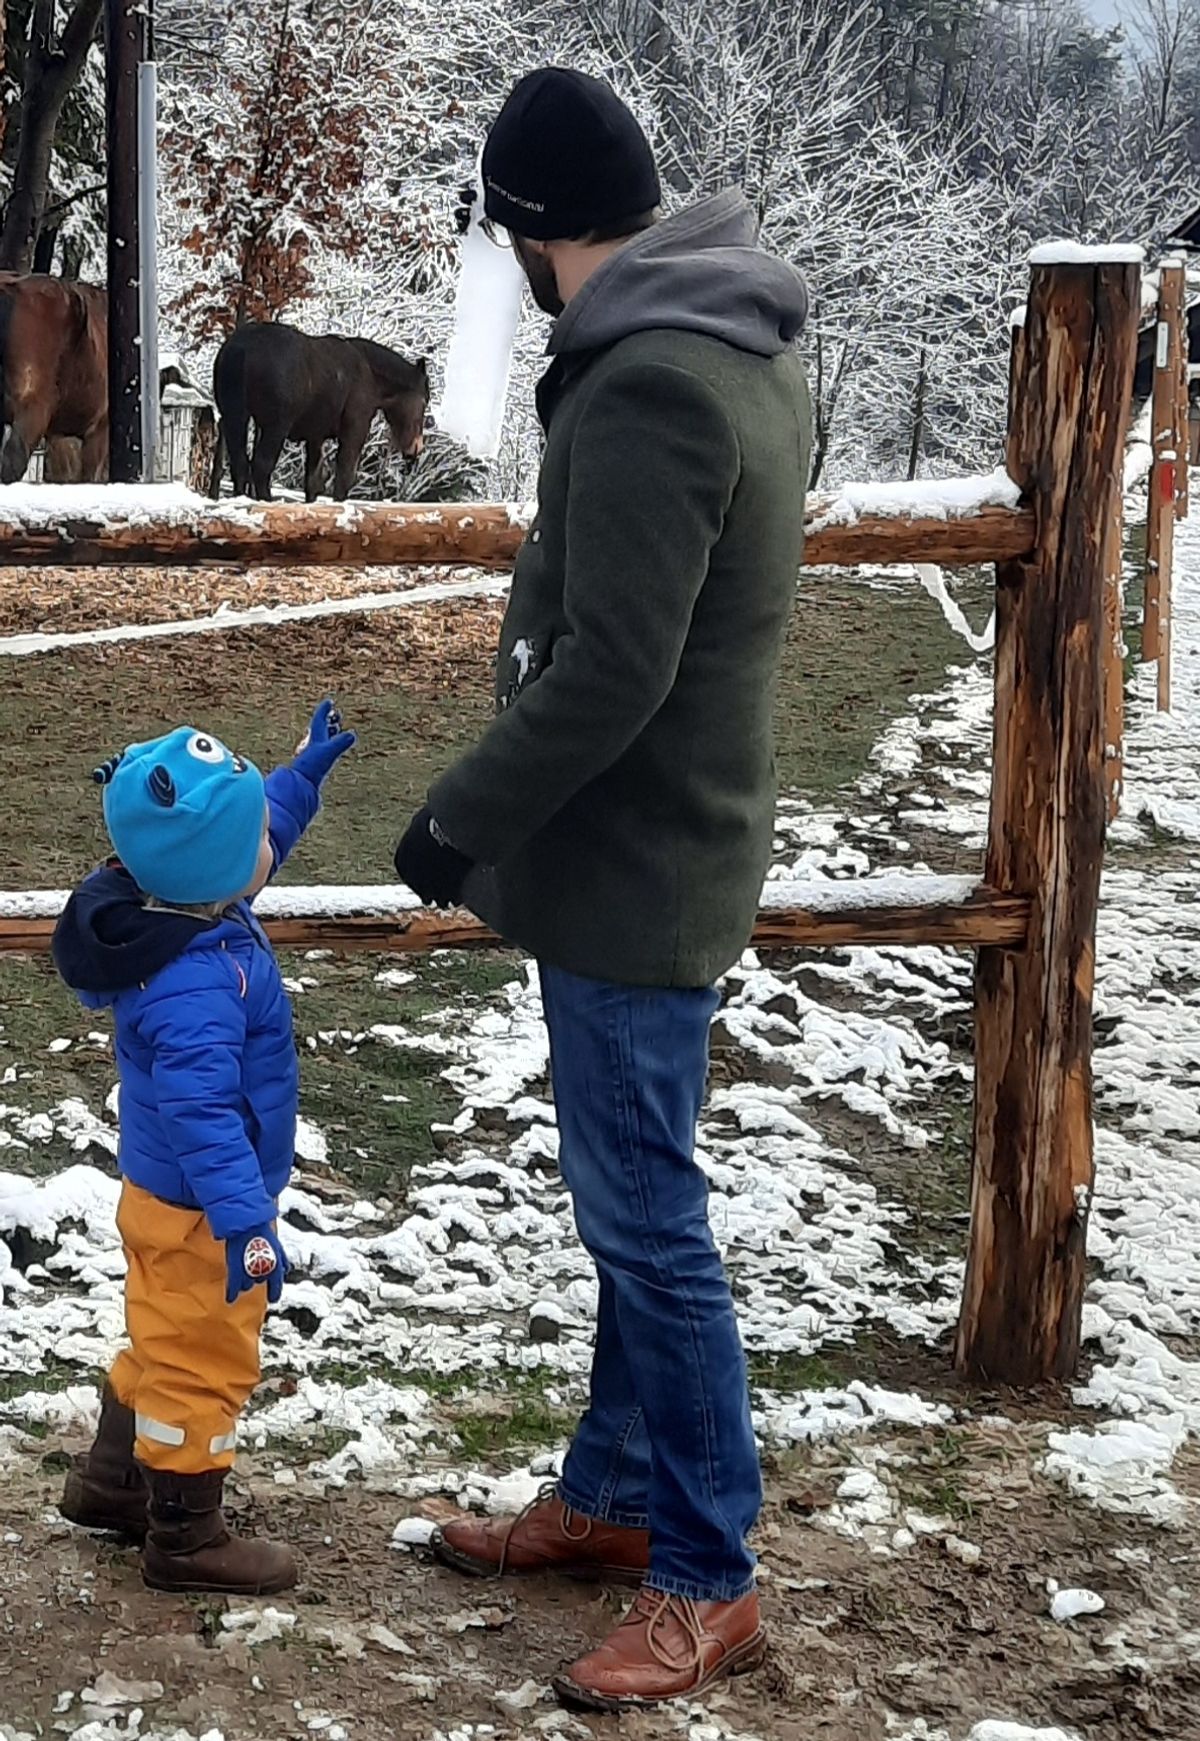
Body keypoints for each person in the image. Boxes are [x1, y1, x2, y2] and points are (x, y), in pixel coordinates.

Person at [394, 67, 811, 1711]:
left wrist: (453, 818)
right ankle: (617, 1495)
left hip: (637, 867)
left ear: (536, 227)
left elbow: (612, 668)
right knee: (640, 1208)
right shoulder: (745, 343)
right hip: (687, 839)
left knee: (649, 1223)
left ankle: (707, 1571)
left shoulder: (646, 384)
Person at [53, 702, 355, 1596]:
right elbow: (202, 1112)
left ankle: (114, 1481)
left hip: (162, 1196)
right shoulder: (195, 980)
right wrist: (244, 1220)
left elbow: (249, 842)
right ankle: (185, 1535)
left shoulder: (175, 910)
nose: (265, 845)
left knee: (159, 1338)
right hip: (199, 1207)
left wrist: (299, 778)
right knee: (203, 1356)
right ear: (217, 872)